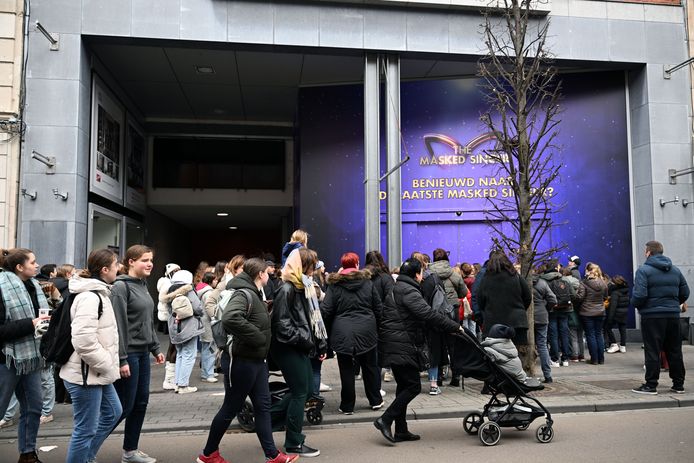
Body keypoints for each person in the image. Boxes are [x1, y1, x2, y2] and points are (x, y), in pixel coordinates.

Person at [197, 258, 299, 463]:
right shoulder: (244, 293)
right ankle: (208, 454)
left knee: (262, 405)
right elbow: (231, 318)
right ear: (260, 274)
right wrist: (259, 337)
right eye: (267, 273)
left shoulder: (253, 292)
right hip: (241, 360)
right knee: (230, 407)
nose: (269, 276)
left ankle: (272, 455)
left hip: (256, 360)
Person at [374, 258, 461, 444]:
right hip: (402, 344)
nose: (423, 277)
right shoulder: (409, 291)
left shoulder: (397, 287)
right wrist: (453, 326)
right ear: (416, 274)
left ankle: (401, 430)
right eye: (421, 272)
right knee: (413, 386)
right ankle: (385, 419)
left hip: (394, 343)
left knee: (403, 386)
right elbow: (428, 314)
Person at [60, 249, 123, 463]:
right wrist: (107, 364)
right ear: (105, 270)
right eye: (116, 265)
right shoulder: (90, 297)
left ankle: (86, 457)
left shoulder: (99, 292)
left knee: (113, 412)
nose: (119, 268)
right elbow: (83, 341)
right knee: (85, 430)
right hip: (86, 374)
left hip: (94, 372)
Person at [270, 247, 327, 457]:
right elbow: (282, 325)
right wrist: (306, 342)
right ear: (301, 266)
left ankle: (266, 420)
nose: (313, 271)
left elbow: (312, 319)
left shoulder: (303, 286)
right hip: (288, 348)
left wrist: (319, 344)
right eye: (310, 266)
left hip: (298, 347)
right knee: (301, 392)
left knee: (304, 392)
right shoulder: (287, 289)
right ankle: (294, 442)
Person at [111, 245, 165, 463]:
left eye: (151, 259)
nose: (150, 263)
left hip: (142, 353)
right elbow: (118, 326)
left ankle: (130, 452)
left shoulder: (142, 284)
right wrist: (122, 359)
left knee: (141, 403)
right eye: (144, 260)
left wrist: (155, 348)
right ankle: (86, 448)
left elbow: (146, 320)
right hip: (129, 354)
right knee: (123, 407)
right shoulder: (121, 287)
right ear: (131, 261)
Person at [0, 248, 50, 463]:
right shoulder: (2, 287)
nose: (37, 265)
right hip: (6, 358)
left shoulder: (34, 287)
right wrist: (30, 324)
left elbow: (41, 316)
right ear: (20, 267)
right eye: (33, 262)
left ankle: (28, 454)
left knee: (34, 407)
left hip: (31, 356)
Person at [321, 252, 383, 414]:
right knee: (370, 367)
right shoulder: (367, 283)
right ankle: (375, 400)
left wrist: (327, 332)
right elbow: (378, 308)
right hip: (367, 331)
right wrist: (377, 327)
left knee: (346, 370)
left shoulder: (334, 285)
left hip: (342, 332)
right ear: (356, 265)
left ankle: (347, 406)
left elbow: (326, 311)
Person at [631, 241, 689, 395]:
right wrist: (674, 303)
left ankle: (651, 385)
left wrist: (637, 305)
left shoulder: (643, 271)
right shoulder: (675, 270)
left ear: (648, 252)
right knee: (674, 350)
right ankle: (678, 384)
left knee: (652, 350)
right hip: (672, 315)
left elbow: (640, 295)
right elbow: (685, 292)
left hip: (652, 316)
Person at [428, 248, 468, 388]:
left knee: (437, 344)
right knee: (453, 343)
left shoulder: (429, 274)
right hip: (452, 311)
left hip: (435, 313)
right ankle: (456, 376)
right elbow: (464, 292)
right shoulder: (454, 274)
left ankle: (438, 377)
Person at [476, 250, 532, 345]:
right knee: (517, 355)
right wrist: (519, 309)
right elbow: (527, 297)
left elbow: (480, 301)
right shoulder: (516, 277)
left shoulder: (485, 279)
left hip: (493, 325)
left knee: (496, 356)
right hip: (517, 323)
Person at [162, 270, 204, 394]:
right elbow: (198, 308)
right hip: (188, 327)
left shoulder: (169, 291)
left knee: (180, 354)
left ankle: (177, 383)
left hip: (175, 327)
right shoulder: (188, 291)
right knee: (189, 355)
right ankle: (183, 385)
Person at [365, 250, 395, 383]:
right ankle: (387, 371)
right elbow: (391, 298)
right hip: (383, 318)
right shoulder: (386, 278)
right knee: (384, 347)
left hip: (365, 317)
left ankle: (372, 382)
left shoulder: (363, 277)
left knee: (370, 351)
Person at [579, 263, 608, 365]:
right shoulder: (603, 283)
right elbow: (605, 297)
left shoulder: (584, 283)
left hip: (587, 312)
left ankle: (594, 359)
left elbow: (580, 297)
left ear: (588, 271)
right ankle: (601, 359)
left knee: (590, 335)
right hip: (600, 311)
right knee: (599, 334)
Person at [532, 264, 557, 383]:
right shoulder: (542, 283)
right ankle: (547, 375)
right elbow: (553, 299)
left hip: (526, 318)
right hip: (542, 315)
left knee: (525, 344)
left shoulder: (521, 282)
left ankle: (526, 374)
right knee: (542, 345)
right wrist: (546, 308)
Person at [156, 263, 180, 391]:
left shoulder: (166, 282)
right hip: (169, 317)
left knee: (173, 346)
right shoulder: (167, 284)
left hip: (167, 317)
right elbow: (165, 298)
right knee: (173, 347)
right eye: (176, 270)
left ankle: (170, 377)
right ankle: (169, 378)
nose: (178, 272)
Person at [196, 272, 218, 383]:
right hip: (208, 324)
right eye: (215, 280)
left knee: (206, 347)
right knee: (209, 348)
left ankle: (208, 372)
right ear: (210, 280)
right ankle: (207, 374)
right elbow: (210, 308)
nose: (216, 281)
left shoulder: (201, 290)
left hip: (203, 323)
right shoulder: (209, 292)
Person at [605, 275, 630, 354]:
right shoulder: (626, 291)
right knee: (622, 329)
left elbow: (613, 307)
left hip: (616, 314)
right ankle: (623, 346)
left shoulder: (615, 293)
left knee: (607, 328)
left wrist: (610, 318)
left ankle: (614, 344)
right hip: (624, 313)